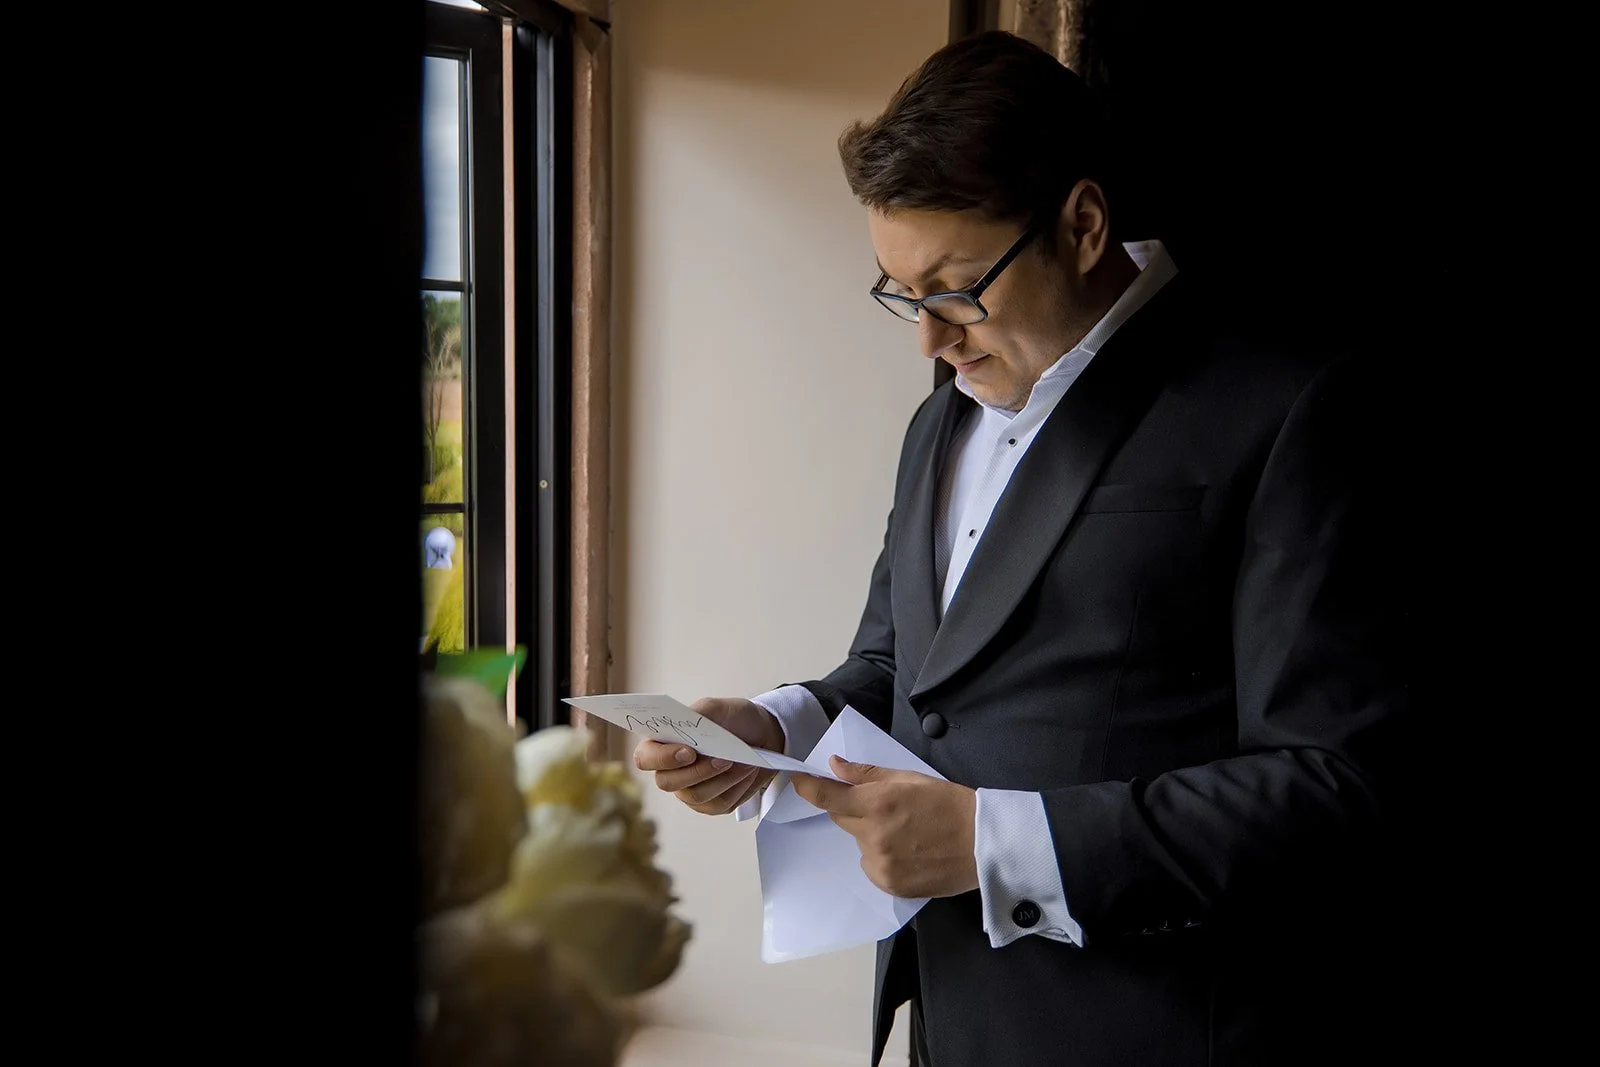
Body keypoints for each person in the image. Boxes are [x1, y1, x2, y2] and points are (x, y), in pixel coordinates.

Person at [635, 30, 1414, 1067]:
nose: (927, 337)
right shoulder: (941, 416)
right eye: (900, 291)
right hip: (948, 1020)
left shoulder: (1287, 406)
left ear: (1083, 224)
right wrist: (773, 725)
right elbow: (905, 668)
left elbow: (1338, 786)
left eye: (955, 287)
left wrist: (1000, 842)